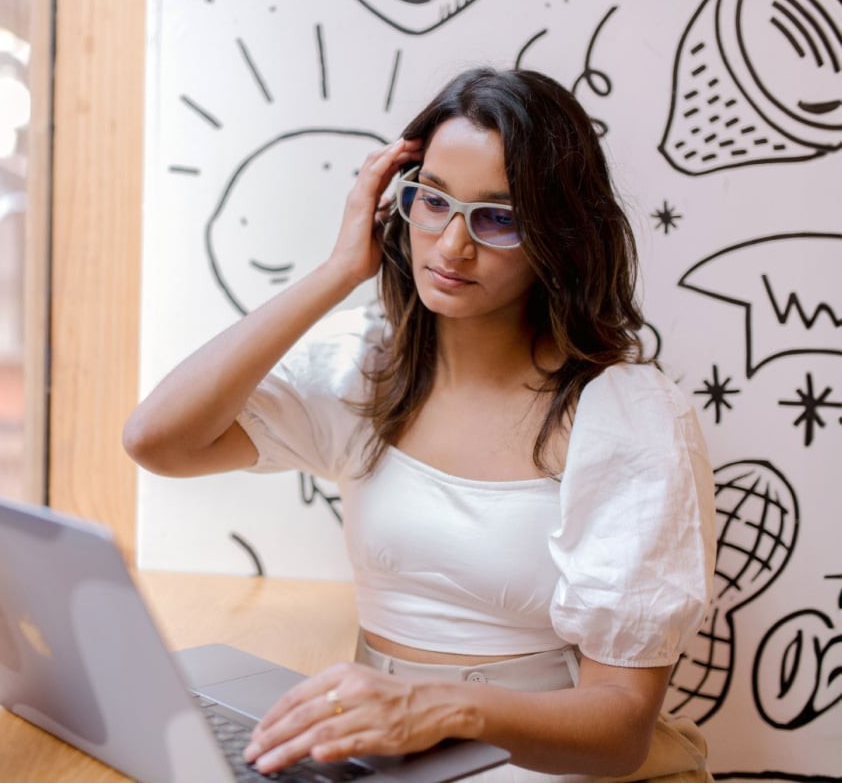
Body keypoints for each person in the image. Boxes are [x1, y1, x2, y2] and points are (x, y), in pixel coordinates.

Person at [123, 66, 716, 782]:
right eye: (431, 201)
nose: (452, 246)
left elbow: (620, 727)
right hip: (393, 755)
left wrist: (437, 708)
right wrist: (340, 269)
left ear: (556, 236)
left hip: (548, 763)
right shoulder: (371, 366)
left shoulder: (626, 417)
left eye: (498, 218)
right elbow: (158, 441)